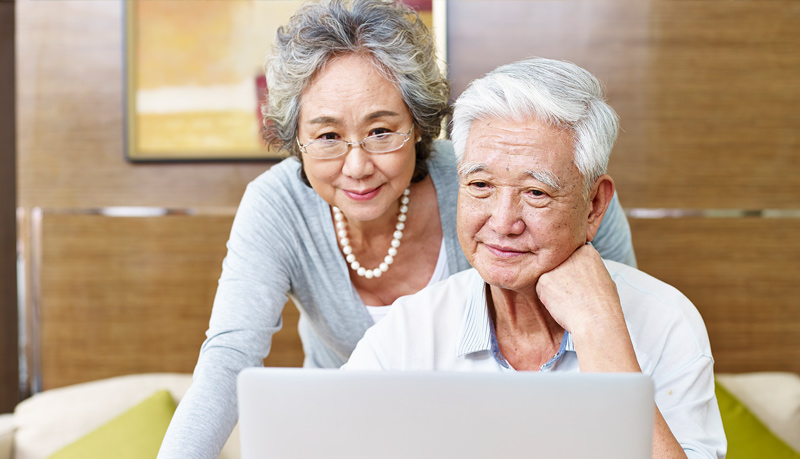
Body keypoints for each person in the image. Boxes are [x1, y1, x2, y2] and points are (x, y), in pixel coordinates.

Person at [158, 1, 636, 457]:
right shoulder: (277, 205)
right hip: (346, 437)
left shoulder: (488, 187)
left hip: (497, 432)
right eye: (327, 136)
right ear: (296, 139)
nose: (358, 165)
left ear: (419, 124)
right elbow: (229, 356)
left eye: (382, 131)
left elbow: (627, 318)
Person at [343, 57, 726, 458]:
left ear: (594, 205)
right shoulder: (411, 331)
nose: (503, 221)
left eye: (536, 193)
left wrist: (600, 332)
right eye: (480, 185)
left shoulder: (665, 323)